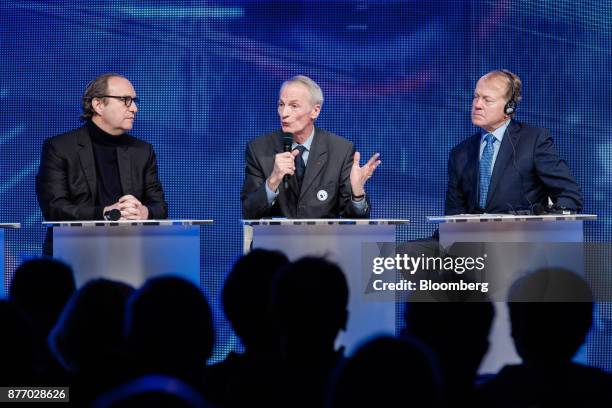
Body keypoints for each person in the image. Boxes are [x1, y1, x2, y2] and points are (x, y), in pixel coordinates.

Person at [241, 75, 380, 219]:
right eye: (281, 104)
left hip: (323, 241)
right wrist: (273, 180)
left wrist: (357, 193)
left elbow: (355, 222)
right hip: (274, 240)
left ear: (315, 111)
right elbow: (249, 212)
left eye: (294, 106)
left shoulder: (340, 150)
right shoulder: (259, 149)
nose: (284, 113)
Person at [445, 70, 582, 215]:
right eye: (476, 97)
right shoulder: (460, 153)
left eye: (487, 100)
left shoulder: (534, 140)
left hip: (523, 234)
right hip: (470, 236)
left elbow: (569, 195)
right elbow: (453, 214)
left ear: (509, 108)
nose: (477, 105)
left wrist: (544, 222)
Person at [36, 73, 167, 221]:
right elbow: (54, 208)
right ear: (98, 105)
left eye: (134, 101)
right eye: (126, 100)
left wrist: (144, 212)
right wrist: (105, 213)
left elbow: (160, 207)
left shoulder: (143, 151)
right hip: (74, 242)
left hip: (131, 242)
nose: (135, 108)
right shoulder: (59, 148)